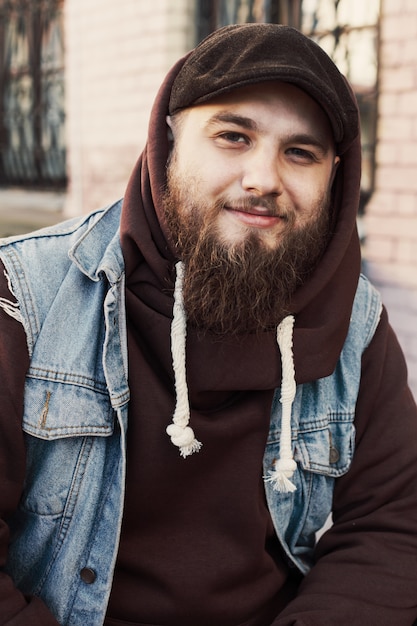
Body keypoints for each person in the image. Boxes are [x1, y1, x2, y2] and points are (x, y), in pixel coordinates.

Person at [0, 22, 416, 626]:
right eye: (232, 136)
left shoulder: (355, 324)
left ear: (336, 177)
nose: (263, 179)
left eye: (300, 152)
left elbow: (394, 523)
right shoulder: (26, 298)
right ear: (169, 143)